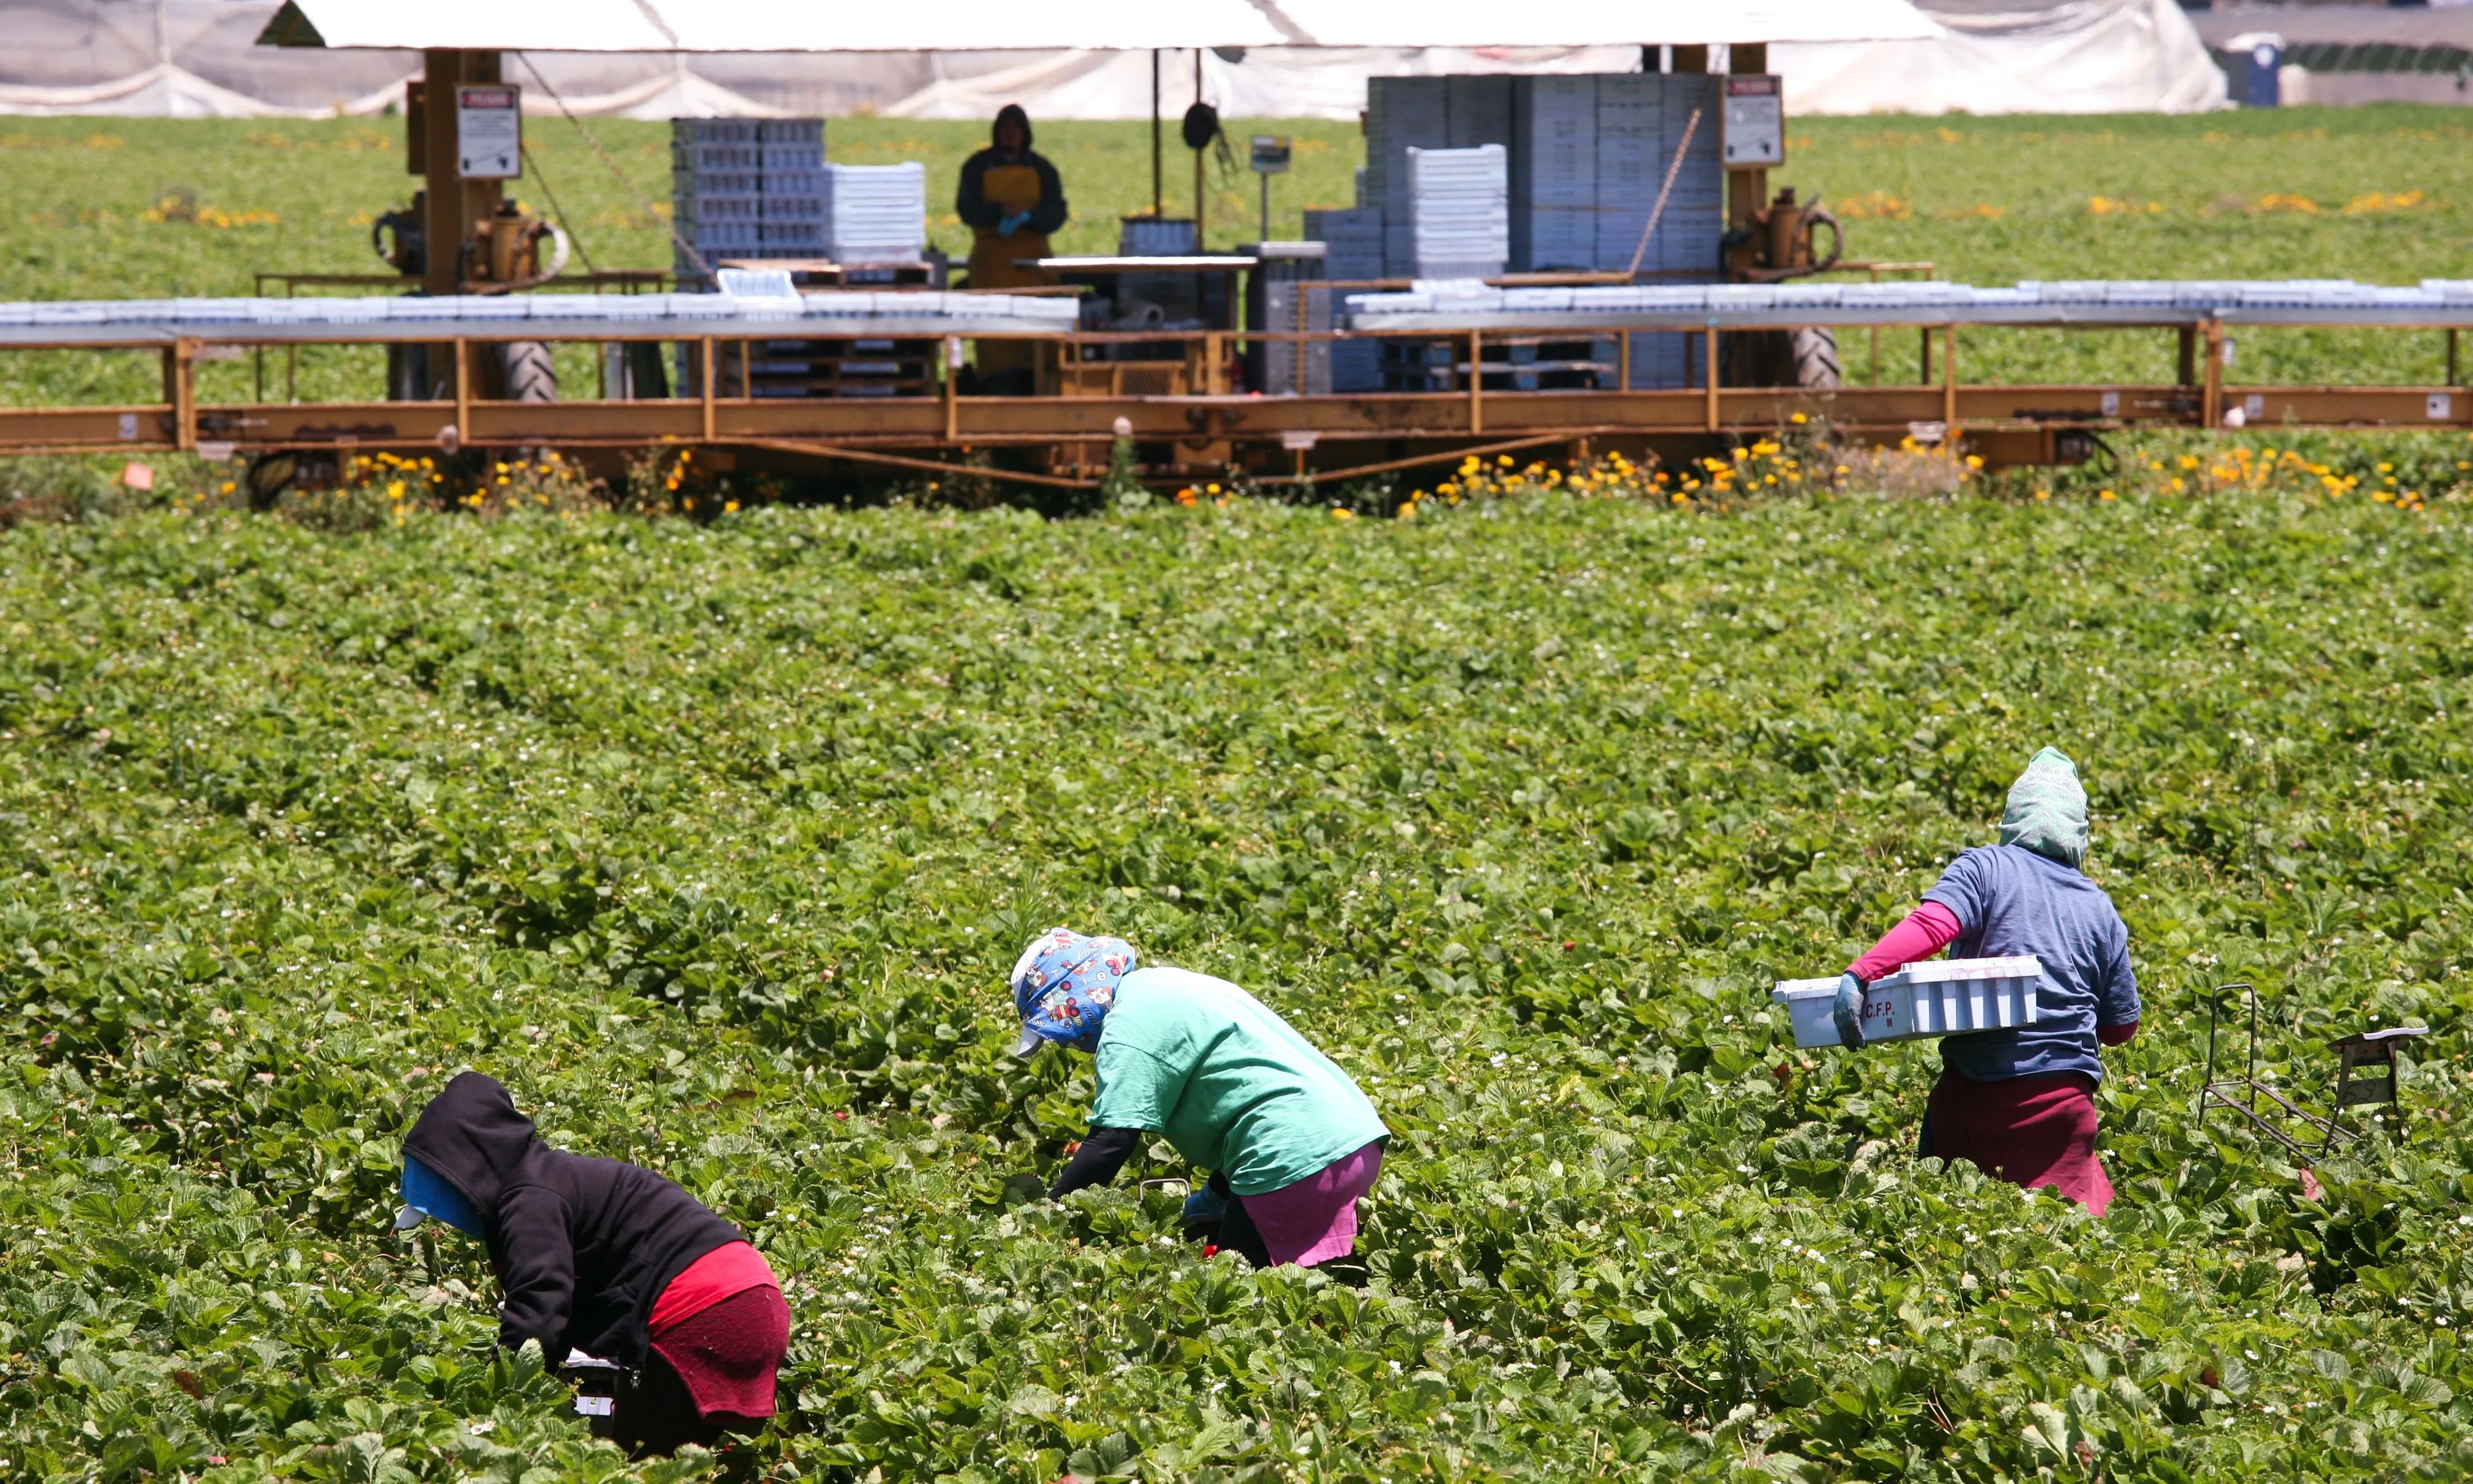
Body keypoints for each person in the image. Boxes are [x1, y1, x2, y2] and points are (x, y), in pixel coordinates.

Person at [394, 1072, 788, 1456]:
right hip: (754, 1299)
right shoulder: (556, 1177)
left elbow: (538, 1314)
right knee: (672, 1458)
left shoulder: (529, 1199)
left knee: (634, 1465)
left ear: (469, 1169)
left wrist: (494, 1395)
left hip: (705, 1311)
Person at [1834, 747, 2140, 1214]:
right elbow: (2120, 1029)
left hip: (1978, 1107)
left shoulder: (1985, 867)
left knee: (1957, 1224)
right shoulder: (2099, 906)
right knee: (2069, 1239)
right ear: (2077, 831)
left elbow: (1931, 926)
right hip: (2065, 1113)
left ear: (2012, 817)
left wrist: (1861, 973)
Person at [1009, 927, 1389, 1272]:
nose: (1068, 1044)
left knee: (1236, 1302)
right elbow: (1247, 1092)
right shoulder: (1167, 983)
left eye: (1059, 1032)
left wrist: (1051, 1215)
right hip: (1353, 1140)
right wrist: (1217, 1195)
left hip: (1291, 1162)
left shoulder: (1127, 1027)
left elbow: (1111, 1142)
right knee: (1312, 1287)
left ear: (1070, 1000)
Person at [955, 104, 1068, 392]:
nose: (1010, 134)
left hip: (1033, 267)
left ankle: (1038, 383)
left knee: (1035, 333)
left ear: (1025, 134)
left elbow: (1056, 214)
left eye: (1016, 129)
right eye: (1005, 128)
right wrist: (998, 212)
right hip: (991, 268)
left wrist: (1029, 217)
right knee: (994, 334)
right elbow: (967, 210)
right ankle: (991, 385)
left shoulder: (1042, 169)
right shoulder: (977, 167)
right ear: (997, 132)